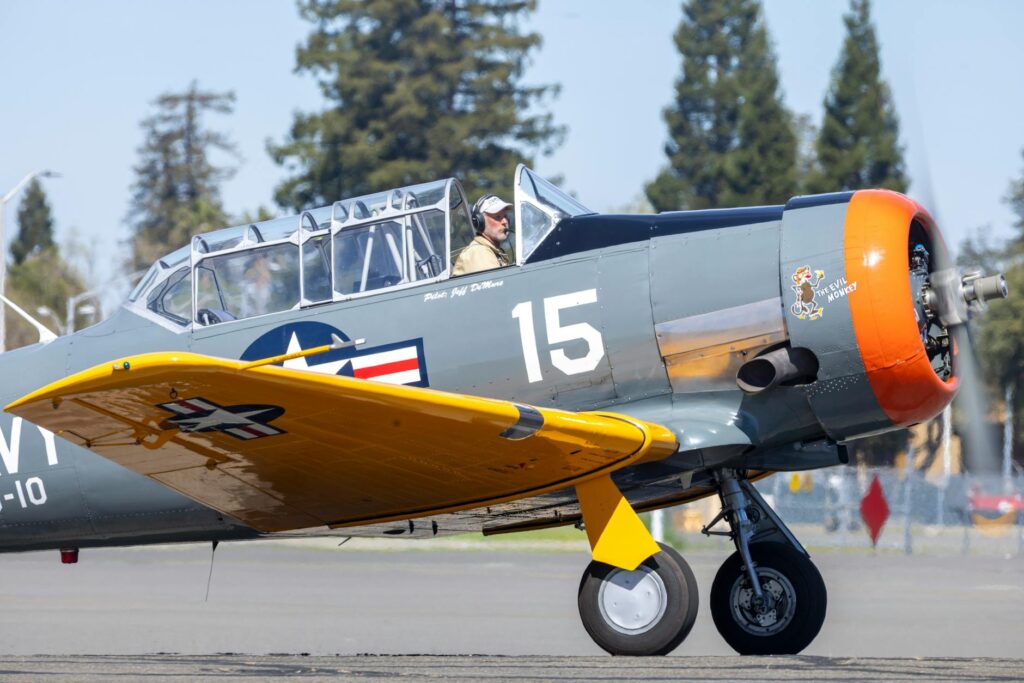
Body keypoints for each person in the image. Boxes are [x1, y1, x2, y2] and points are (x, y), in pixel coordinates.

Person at [452, 194, 512, 276]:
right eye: (497, 217)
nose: (505, 222)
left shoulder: (494, 252)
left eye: (505, 216)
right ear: (480, 221)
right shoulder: (479, 252)